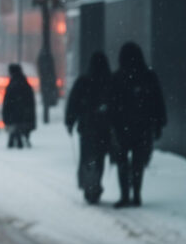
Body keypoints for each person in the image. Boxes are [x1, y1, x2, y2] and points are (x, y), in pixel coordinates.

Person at [110, 42, 166, 208]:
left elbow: (112, 104)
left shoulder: (117, 77)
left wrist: (112, 124)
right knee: (138, 162)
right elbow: (158, 102)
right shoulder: (148, 76)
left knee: (122, 161)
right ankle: (136, 194)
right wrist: (158, 124)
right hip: (143, 127)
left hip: (122, 128)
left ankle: (125, 195)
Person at [65, 51, 114, 204]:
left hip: (87, 127)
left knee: (87, 157)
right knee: (99, 158)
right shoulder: (110, 81)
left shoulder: (83, 81)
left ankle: (89, 185)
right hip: (104, 127)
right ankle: (96, 183)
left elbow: (73, 103)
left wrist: (70, 121)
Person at [2, 63, 36, 148]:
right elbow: (30, 101)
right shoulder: (25, 83)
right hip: (24, 114)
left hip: (14, 115)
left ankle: (14, 141)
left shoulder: (12, 84)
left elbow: (7, 102)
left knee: (14, 130)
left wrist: (6, 116)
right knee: (21, 129)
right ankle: (23, 139)